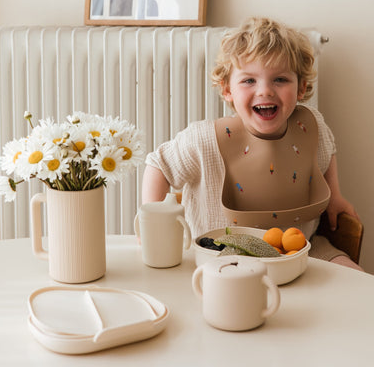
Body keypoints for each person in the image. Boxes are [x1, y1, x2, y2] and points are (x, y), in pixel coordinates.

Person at [142, 16, 362, 270]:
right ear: (227, 90)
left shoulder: (313, 127)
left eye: (280, 79)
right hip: (222, 260)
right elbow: (158, 165)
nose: (265, 91)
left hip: (303, 251)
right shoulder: (203, 140)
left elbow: (327, 152)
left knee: (358, 279)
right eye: (249, 80)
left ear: (301, 88)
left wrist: (335, 195)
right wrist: (154, 224)